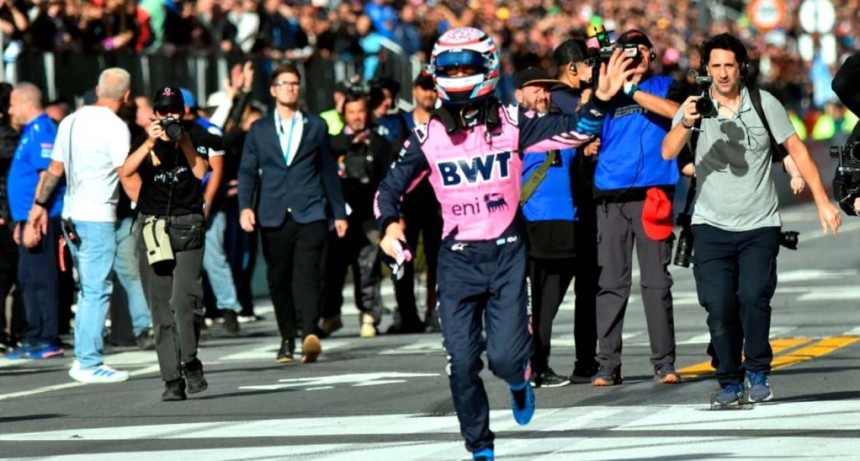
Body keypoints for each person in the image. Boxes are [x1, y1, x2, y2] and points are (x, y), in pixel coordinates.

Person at [375, 27, 632, 461]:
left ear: (488, 68)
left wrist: (602, 99)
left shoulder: (514, 122)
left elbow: (578, 130)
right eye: (449, 68)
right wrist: (388, 226)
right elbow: (389, 189)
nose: (457, 74)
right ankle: (480, 448)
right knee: (460, 363)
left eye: (466, 67)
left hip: (507, 252)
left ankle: (519, 380)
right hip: (456, 261)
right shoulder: (428, 136)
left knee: (506, 360)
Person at [662, 33, 842, 406]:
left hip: (759, 224)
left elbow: (797, 151)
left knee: (753, 298)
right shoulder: (694, 106)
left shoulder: (765, 104)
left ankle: (757, 372)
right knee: (719, 305)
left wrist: (824, 202)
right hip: (710, 225)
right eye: (716, 66)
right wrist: (685, 121)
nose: (723, 73)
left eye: (730, 65)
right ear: (706, 70)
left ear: (741, 68)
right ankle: (729, 382)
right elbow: (668, 151)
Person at [589, 29, 686, 386]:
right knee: (612, 283)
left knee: (656, 282)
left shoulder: (666, 85)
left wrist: (633, 91)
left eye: (642, 50)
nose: (636, 57)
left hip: (654, 195)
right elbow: (586, 125)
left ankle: (664, 362)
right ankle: (608, 364)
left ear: (652, 54)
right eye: (628, 51)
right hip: (611, 196)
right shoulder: (606, 90)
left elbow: (679, 115)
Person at [28, 69, 134, 383]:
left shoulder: (71, 120)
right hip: (98, 215)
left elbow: (54, 169)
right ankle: (88, 362)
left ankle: (85, 358)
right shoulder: (115, 126)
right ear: (126, 96)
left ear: (96, 89)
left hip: (71, 214)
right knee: (96, 290)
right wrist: (151, 206)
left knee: (88, 290)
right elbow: (125, 173)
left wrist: (38, 206)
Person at [238, 63, 347, 364]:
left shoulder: (315, 126)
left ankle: (309, 333)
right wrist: (245, 207)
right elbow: (247, 171)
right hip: (272, 213)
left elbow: (328, 171)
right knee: (279, 277)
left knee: (308, 273)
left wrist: (338, 212)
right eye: (284, 83)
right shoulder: (259, 129)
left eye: (295, 83)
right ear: (273, 90)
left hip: (310, 210)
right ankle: (287, 337)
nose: (291, 88)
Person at [122, 86, 211, 401]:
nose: (169, 116)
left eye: (175, 110)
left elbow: (201, 172)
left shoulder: (195, 136)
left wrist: (184, 141)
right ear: (155, 114)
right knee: (160, 308)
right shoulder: (145, 140)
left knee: (185, 302)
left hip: (188, 226)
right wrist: (149, 141)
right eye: (163, 111)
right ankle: (172, 379)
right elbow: (126, 171)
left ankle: (190, 358)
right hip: (154, 229)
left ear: (184, 112)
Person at [512, 67, 576, 388]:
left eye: (547, 90)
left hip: (566, 225)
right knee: (529, 303)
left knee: (547, 305)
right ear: (519, 95)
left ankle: (540, 363)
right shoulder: (515, 129)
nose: (543, 94)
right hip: (531, 224)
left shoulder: (565, 128)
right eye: (535, 88)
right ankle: (530, 365)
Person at [549, 38, 601, 383]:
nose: (593, 69)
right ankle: (583, 361)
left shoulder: (548, 100)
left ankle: (537, 360)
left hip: (557, 208)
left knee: (553, 291)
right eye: (587, 63)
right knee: (575, 289)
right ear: (572, 68)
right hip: (573, 204)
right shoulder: (568, 103)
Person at [4, 83, 65, 361]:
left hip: (41, 217)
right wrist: (20, 222)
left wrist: (33, 218)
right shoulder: (29, 132)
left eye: (13, 104)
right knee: (27, 280)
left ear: (26, 102)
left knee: (42, 279)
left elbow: (46, 175)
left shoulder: (43, 129)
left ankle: (48, 337)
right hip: (25, 218)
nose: (9, 110)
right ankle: (33, 334)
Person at [326, 90, 392, 338]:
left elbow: (388, 179)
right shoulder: (333, 143)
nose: (356, 117)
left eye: (360, 112)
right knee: (334, 267)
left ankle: (369, 315)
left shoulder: (379, 142)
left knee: (368, 266)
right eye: (351, 112)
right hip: (339, 214)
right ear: (343, 115)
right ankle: (331, 315)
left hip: (369, 215)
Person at [178, 87, 241, 336]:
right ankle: (195, 311)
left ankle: (228, 308)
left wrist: (206, 202)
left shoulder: (208, 130)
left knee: (213, 257)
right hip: (181, 203)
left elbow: (216, 170)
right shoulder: (171, 132)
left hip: (205, 202)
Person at [390, 71, 442, 334]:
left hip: (437, 203)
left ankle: (434, 310)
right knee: (403, 258)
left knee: (438, 260)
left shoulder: (443, 122)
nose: (429, 93)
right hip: (407, 203)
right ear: (414, 91)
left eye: (433, 88)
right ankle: (407, 314)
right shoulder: (399, 123)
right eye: (424, 88)